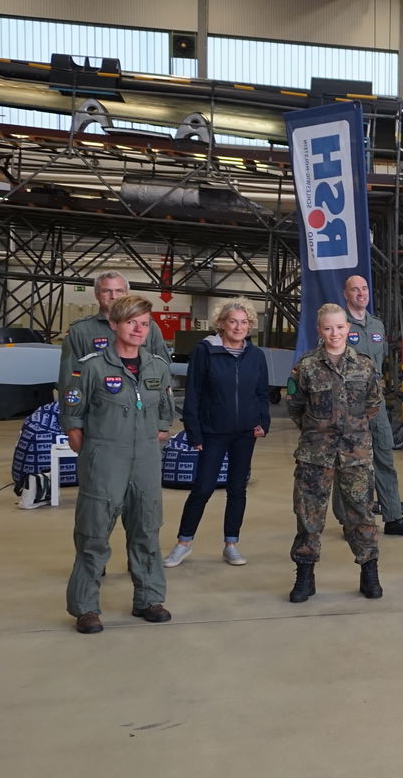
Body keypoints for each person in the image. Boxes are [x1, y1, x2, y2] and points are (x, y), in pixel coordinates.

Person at [60, 295, 176, 634]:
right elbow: (73, 419)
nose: (138, 330)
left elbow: (165, 411)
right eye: (131, 323)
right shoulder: (91, 367)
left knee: (147, 530)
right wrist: (95, 455)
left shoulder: (157, 366)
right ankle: (85, 607)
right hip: (105, 460)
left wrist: (155, 434)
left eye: (144, 324)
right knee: (93, 534)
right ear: (114, 325)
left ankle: (149, 599)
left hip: (146, 460)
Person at [285, 303, 385, 603]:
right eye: (328, 328)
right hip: (315, 454)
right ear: (319, 330)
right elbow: (295, 406)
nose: (335, 333)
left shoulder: (364, 365)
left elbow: (373, 403)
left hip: (355, 454)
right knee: (308, 515)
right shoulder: (306, 366)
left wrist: (352, 429)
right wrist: (319, 430)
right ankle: (305, 576)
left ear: (348, 329)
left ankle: (369, 572)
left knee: (361, 513)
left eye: (340, 327)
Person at [165, 302, 270, 569]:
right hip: (213, 432)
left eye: (244, 322)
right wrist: (194, 432)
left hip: (245, 433)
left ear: (250, 326)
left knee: (237, 489)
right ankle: (183, 543)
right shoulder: (205, 351)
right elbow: (194, 393)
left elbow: (261, 393)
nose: (238, 327)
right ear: (221, 323)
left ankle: (231, 544)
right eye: (233, 321)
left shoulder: (256, 355)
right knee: (203, 487)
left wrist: (263, 422)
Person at [342, 274, 403, 537]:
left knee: (385, 458)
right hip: (350, 407)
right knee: (349, 464)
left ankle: (393, 517)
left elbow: (381, 362)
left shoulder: (376, 325)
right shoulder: (340, 324)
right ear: (346, 294)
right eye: (355, 290)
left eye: (364, 288)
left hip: (376, 406)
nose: (361, 293)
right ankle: (350, 521)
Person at [59, 271, 168, 426]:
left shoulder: (149, 327)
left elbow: (163, 372)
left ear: (127, 293)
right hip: (99, 416)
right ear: (97, 294)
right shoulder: (80, 331)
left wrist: (163, 421)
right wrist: (72, 424)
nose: (113, 296)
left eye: (119, 291)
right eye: (106, 291)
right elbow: (68, 379)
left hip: (144, 414)